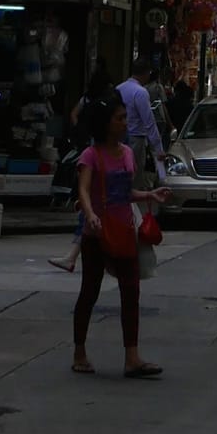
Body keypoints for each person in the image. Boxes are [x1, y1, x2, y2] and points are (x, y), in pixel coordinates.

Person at [72, 93, 167, 379]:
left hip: (124, 229)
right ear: (106, 123)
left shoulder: (126, 153)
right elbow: (84, 190)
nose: (125, 123)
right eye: (120, 118)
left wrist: (149, 193)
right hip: (97, 234)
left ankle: (132, 357)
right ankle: (79, 352)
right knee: (89, 292)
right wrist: (90, 214)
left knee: (131, 293)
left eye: (125, 117)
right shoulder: (91, 155)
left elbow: (126, 193)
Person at [118, 51, 166, 187]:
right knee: (134, 177)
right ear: (146, 73)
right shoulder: (140, 92)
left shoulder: (119, 88)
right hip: (135, 139)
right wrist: (158, 148)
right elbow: (149, 122)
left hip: (118, 138)